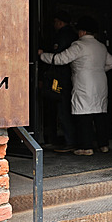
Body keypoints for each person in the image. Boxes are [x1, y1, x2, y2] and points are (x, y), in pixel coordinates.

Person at [39, 16, 112, 156]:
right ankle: (103, 144)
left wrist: (42, 55)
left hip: (83, 82)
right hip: (100, 81)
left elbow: (61, 59)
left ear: (82, 32)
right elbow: (111, 63)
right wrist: (97, 69)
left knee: (83, 114)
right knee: (99, 113)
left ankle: (86, 147)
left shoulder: (78, 46)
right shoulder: (101, 46)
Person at [44, 11, 78, 152]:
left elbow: (59, 59)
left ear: (60, 22)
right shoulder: (74, 36)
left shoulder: (63, 36)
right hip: (70, 78)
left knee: (61, 108)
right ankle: (69, 140)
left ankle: (69, 141)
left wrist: (42, 55)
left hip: (59, 78)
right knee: (65, 108)